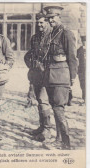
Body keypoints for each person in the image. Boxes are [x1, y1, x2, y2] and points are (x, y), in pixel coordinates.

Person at [42, 6, 78, 150]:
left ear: (59, 17)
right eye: (49, 18)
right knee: (55, 107)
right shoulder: (52, 34)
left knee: (58, 109)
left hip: (61, 76)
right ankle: (58, 139)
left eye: (53, 17)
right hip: (50, 76)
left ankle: (66, 143)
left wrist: (72, 78)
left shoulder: (66, 33)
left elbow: (72, 57)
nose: (50, 20)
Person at [24, 13, 52, 142]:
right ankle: (42, 126)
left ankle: (47, 130)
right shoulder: (35, 38)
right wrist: (30, 65)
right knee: (39, 102)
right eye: (38, 22)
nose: (39, 25)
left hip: (47, 75)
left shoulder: (52, 37)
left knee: (43, 100)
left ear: (47, 22)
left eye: (42, 22)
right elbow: (30, 54)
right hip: (36, 75)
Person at [77, 35, 86, 104]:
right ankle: (84, 98)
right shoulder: (79, 50)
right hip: (81, 70)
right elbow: (76, 59)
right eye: (84, 41)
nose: (85, 43)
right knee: (82, 84)